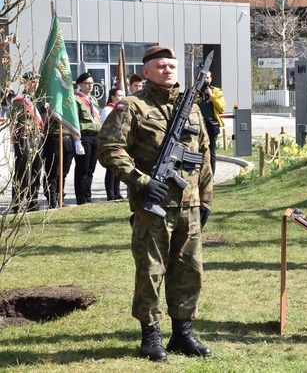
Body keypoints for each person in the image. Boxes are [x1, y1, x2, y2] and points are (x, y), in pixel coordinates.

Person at [98, 46, 213, 362]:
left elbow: (203, 155)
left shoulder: (190, 108)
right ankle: (151, 336)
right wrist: (142, 181)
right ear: (145, 71)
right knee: (150, 272)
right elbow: (109, 149)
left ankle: (182, 333)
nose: (168, 70)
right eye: (161, 66)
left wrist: (205, 200)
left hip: (188, 207)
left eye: (172, 66)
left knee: (189, 271)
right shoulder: (132, 107)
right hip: (152, 207)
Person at [9, 72, 43, 212]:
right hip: (24, 139)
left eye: (36, 81)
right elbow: (13, 123)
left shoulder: (37, 100)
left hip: (36, 138)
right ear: (24, 82)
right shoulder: (19, 101)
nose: (34, 84)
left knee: (36, 169)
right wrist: (13, 142)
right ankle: (17, 204)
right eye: (31, 81)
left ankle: (32, 202)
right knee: (22, 171)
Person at [73, 73, 101, 205]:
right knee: (82, 169)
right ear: (80, 85)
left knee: (91, 169)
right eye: (87, 84)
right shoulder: (76, 99)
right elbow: (76, 120)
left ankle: (88, 196)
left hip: (95, 136)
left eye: (92, 83)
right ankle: (81, 198)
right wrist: (77, 139)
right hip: (84, 136)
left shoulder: (92, 99)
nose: (90, 86)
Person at [197, 70, 226, 175]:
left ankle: (211, 176)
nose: (206, 80)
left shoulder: (216, 91)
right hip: (198, 125)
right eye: (204, 78)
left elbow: (222, 108)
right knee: (198, 151)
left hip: (211, 125)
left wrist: (211, 95)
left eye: (208, 78)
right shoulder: (196, 92)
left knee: (210, 151)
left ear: (211, 79)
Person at [100, 87, 125, 200]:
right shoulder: (108, 109)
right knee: (111, 169)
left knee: (118, 167)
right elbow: (107, 126)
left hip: (119, 141)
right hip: (110, 141)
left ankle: (117, 192)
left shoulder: (119, 109)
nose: (122, 98)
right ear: (112, 97)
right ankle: (110, 194)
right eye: (119, 95)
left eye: (122, 95)